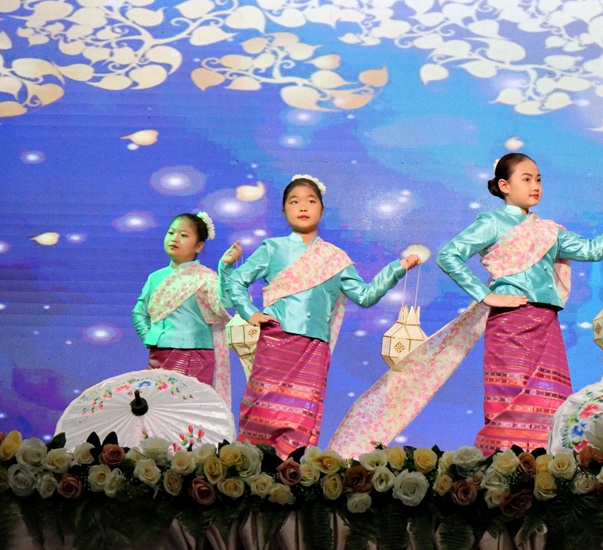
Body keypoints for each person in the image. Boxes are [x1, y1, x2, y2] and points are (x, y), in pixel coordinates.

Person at [436, 152, 603, 453]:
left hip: (546, 325)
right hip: (510, 324)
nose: (535, 186)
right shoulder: (492, 222)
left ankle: (547, 469)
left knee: (551, 404)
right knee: (509, 403)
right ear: (504, 185)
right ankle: (502, 469)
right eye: (526, 179)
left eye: (538, 180)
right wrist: (486, 295)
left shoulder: (549, 231)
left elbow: (593, 250)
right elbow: (448, 255)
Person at [220, 174, 420, 458]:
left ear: (322, 210)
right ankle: (252, 470)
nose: (303, 206)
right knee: (261, 412)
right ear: (284, 210)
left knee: (301, 418)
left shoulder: (335, 258)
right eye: (294, 201)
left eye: (311, 201)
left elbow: (365, 296)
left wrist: (397, 269)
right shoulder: (272, 248)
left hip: (313, 349)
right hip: (275, 343)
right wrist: (250, 313)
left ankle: (292, 473)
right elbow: (236, 281)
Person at [131, 212, 231, 406]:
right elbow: (139, 312)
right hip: (159, 354)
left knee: (188, 411)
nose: (175, 238)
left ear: (199, 246)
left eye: (184, 235)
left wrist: (225, 268)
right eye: (171, 232)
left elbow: (223, 304)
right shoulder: (155, 277)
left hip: (195, 354)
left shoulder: (206, 278)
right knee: (158, 409)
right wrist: (151, 337)